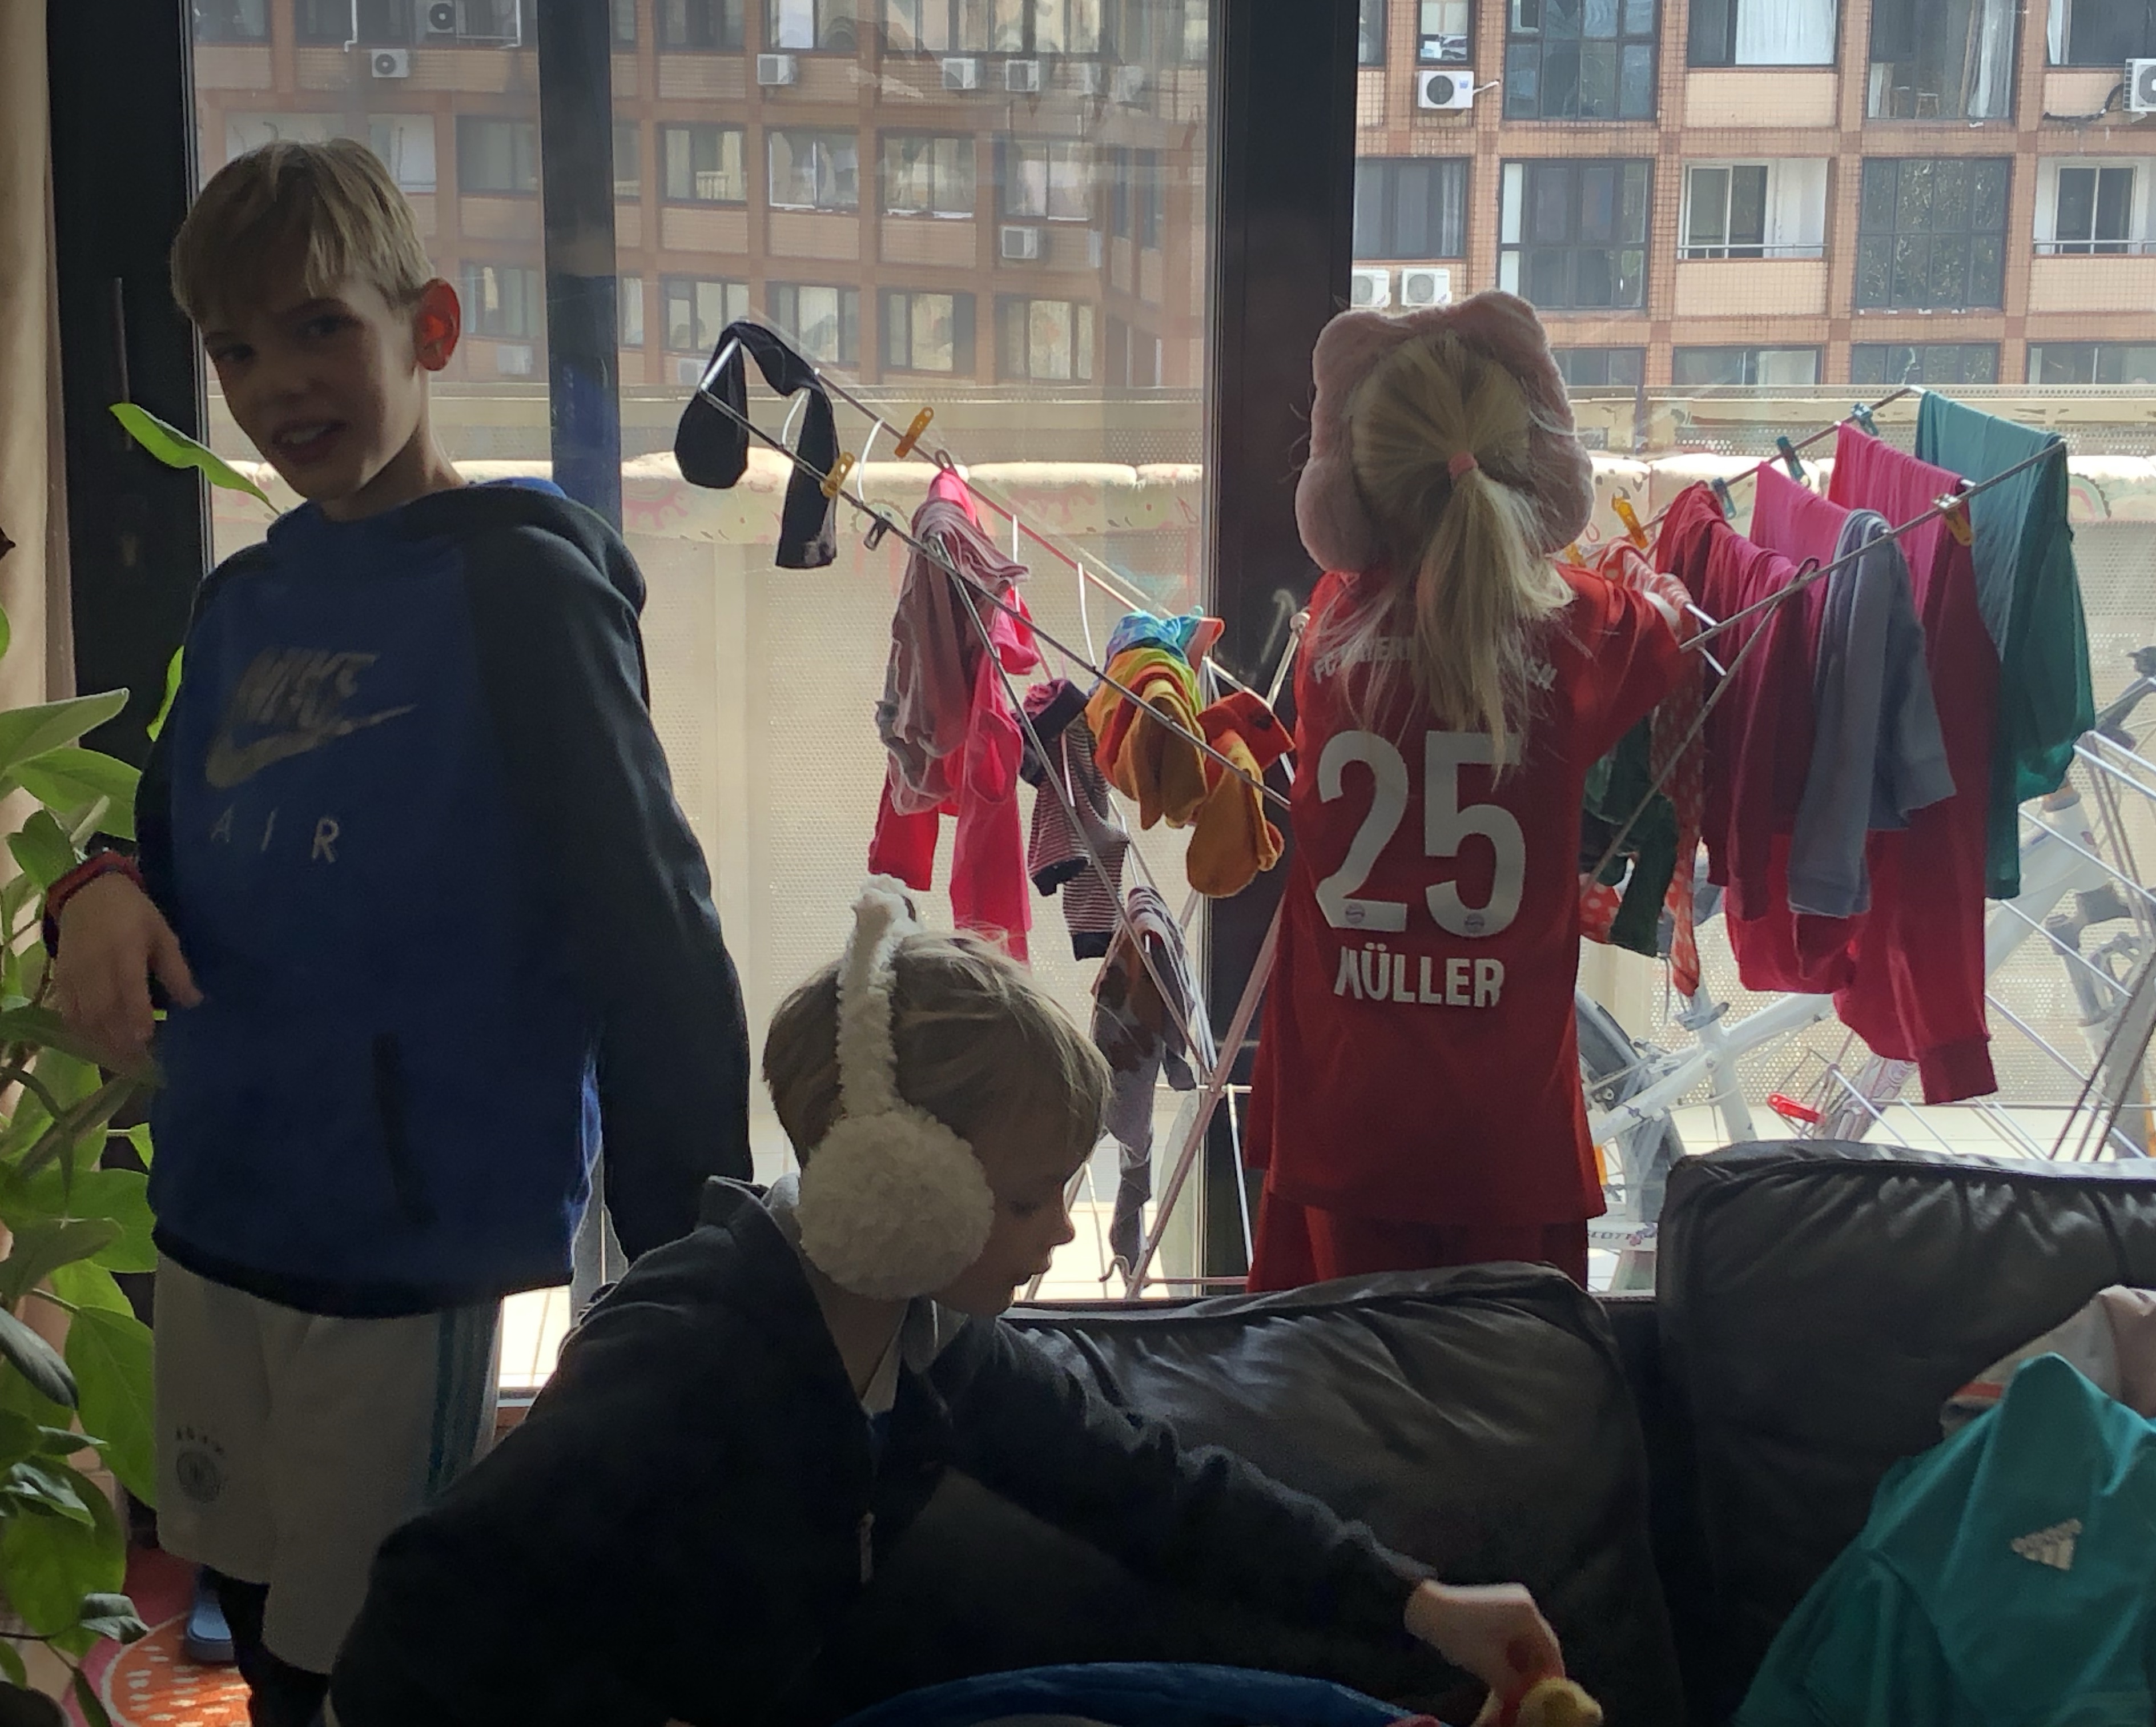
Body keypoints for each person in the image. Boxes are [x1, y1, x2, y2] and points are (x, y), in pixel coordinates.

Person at [46, 139, 750, 1727]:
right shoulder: (242, 606)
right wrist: (90, 893)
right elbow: (156, 846)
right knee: (244, 1611)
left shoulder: (527, 593)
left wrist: (695, 1267)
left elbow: (651, 922)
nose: (276, 385)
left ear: (429, 327)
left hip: (404, 1249)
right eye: (236, 349)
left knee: (369, 1660)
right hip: (216, 1211)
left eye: (319, 328)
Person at [323, 880, 1570, 1727]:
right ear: (897, 1180)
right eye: (1028, 1202)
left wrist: (1420, 1602)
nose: (1062, 1232)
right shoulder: (689, 1346)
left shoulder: (930, 1344)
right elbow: (422, 1605)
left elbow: (1156, 1492)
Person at [1243, 291, 1690, 1293]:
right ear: (1538, 473)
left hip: (1346, 1114)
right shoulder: (1586, 628)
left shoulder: (1330, 628)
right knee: (1507, 1375)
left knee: (1329, 1364)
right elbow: (1668, 630)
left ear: (1353, 493)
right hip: (1504, 1130)